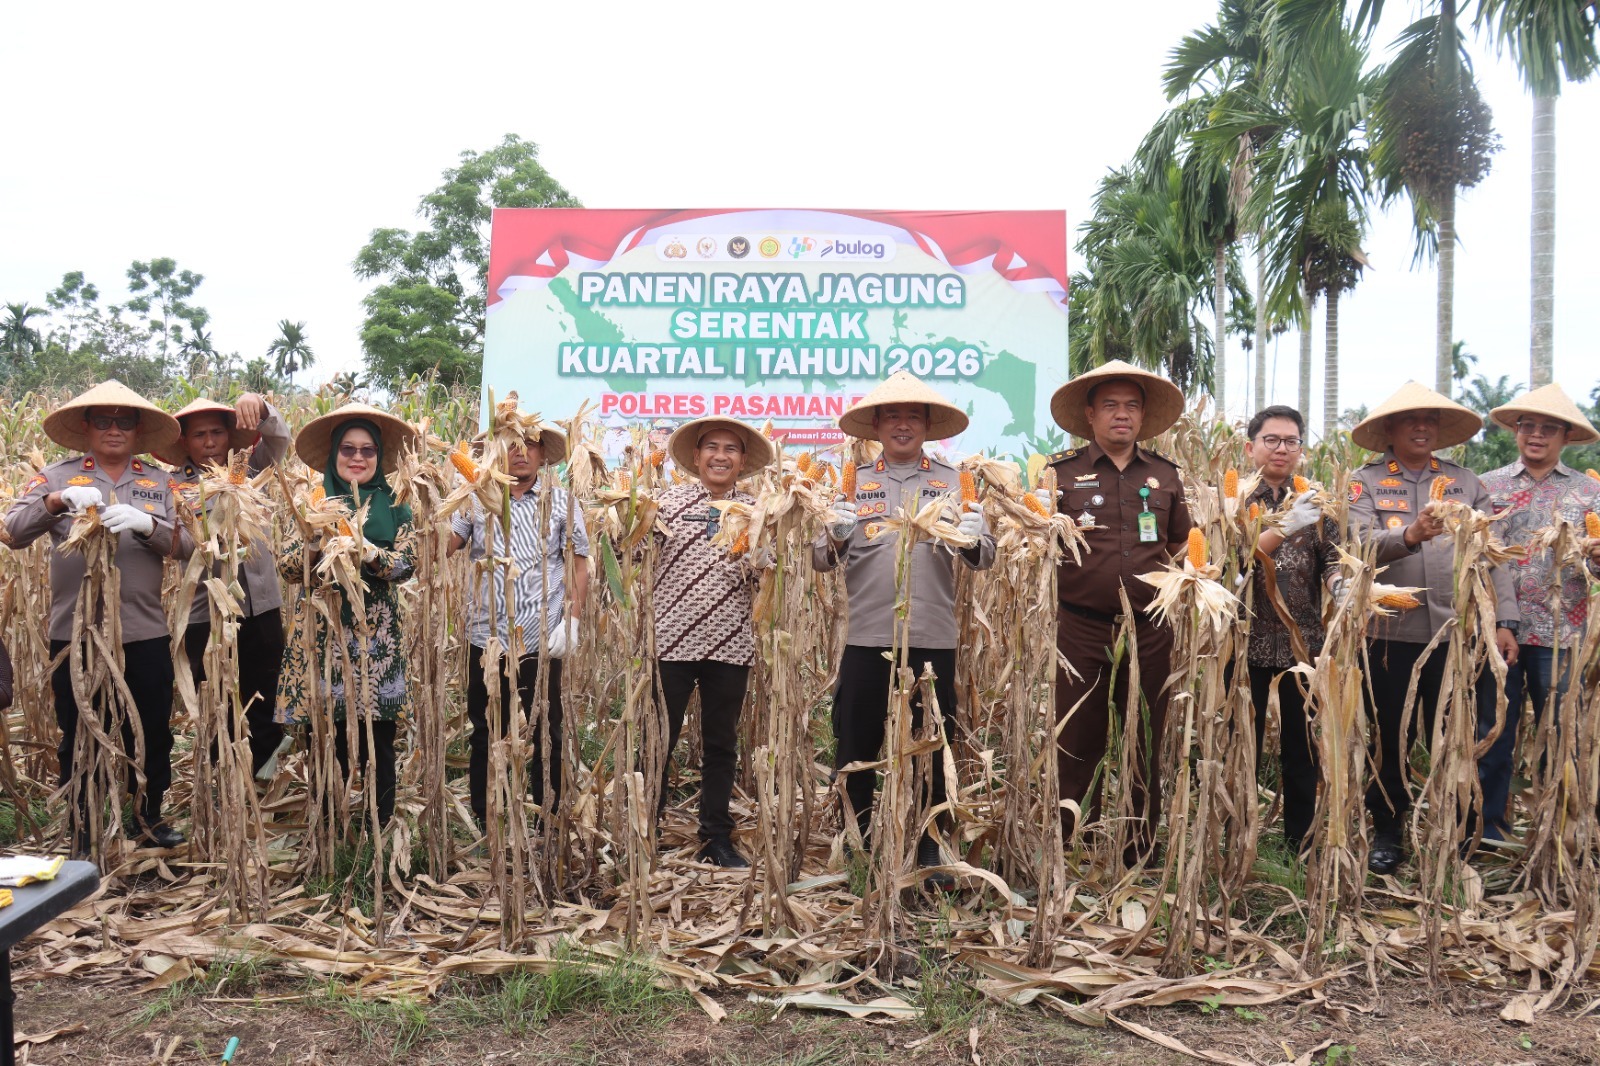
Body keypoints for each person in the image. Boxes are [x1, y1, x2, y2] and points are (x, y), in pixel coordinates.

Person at [813, 371, 994, 881]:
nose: (902, 424)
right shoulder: (855, 483)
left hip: (932, 636)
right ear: (875, 424)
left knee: (935, 743)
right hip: (868, 635)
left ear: (928, 425)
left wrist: (975, 536)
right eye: (892, 415)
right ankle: (858, 837)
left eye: (912, 415)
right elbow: (819, 561)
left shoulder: (952, 480)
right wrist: (834, 534)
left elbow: (985, 559)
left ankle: (932, 844)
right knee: (856, 741)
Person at [3, 380, 192, 849]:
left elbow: (190, 547)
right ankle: (84, 825)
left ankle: (148, 818)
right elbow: (11, 531)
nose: (113, 429)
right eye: (103, 420)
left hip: (142, 630)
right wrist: (55, 503)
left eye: (123, 421)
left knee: (150, 730)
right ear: (87, 427)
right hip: (76, 631)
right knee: (79, 729)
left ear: (137, 429)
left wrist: (149, 524)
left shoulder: (160, 483)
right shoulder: (55, 476)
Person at [1347, 382, 1519, 874]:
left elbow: (1493, 555)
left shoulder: (1467, 483)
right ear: (1391, 429)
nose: (1422, 428)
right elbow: (1357, 546)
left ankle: (1460, 830)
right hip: (1389, 636)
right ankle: (1387, 829)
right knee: (1390, 737)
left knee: (1453, 735)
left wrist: (1504, 620)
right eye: (1410, 420)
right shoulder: (1366, 482)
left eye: (1430, 421)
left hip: (1455, 634)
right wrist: (1410, 534)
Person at [1045, 359, 1192, 866]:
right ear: (1090, 415)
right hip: (1080, 627)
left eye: (1131, 406)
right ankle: (1064, 844)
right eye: (1110, 405)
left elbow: (1177, 544)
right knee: (1076, 735)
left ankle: (1139, 850)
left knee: (1143, 734)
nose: (1121, 415)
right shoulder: (1059, 475)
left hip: (1151, 628)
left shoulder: (1165, 476)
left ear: (1143, 416)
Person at [276, 403, 417, 828]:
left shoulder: (397, 505)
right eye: (349, 449)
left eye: (368, 450)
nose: (358, 457)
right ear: (335, 453)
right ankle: (329, 822)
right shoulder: (313, 502)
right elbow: (287, 568)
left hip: (378, 637)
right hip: (323, 631)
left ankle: (381, 822)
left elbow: (408, 563)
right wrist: (316, 544)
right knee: (327, 735)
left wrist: (370, 554)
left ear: (378, 457)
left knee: (380, 736)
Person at [449, 416, 590, 831]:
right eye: (511, 442)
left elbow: (578, 565)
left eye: (530, 443)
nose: (521, 451)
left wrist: (573, 621)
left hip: (541, 637)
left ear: (544, 454)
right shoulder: (476, 500)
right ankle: (484, 813)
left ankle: (548, 814)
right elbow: (445, 546)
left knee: (547, 729)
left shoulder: (561, 501)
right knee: (485, 730)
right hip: (485, 637)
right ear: (496, 450)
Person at [1474, 384, 1600, 842]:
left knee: (1561, 736)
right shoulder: (1489, 486)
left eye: (1549, 428)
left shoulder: (1589, 492)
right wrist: (1497, 621)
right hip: (1498, 633)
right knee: (1494, 733)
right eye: (1529, 426)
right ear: (1516, 431)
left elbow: (1596, 567)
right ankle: (1489, 829)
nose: (1537, 435)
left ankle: (1561, 832)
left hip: (1564, 634)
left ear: (1565, 436)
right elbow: (1481, 558)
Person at [651, 415, 775, 868]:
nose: (720, 456)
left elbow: (767, 574)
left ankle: (716, 839)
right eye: (712, 448)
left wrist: (764, 556)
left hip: (731, 642)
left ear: (742, 461)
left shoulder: (755, 511)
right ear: (697, 456)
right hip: (670, 642)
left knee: (721, 745)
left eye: (730, 449)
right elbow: (635, 556)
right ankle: (647, 829)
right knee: (658, 740)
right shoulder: (665, 505)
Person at [160, 394, 291, 778]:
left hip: (260, 603)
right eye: (199, 434)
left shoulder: (251, 468)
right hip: (206, 607)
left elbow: (279, 439)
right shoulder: (174, 487)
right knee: (215, 691)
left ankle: (268, 770)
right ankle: (224, 771)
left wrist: (261, 407)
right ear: (185, 442)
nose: (210, 441)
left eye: (217, 431)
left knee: (266, 684)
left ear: (230, 434)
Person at [1239, 405, 1339, 855]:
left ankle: (1301, 843)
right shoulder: (1232, 501)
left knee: (1301, 751)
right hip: (1242, 644)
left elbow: (1334, 562)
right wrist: (1282, 526)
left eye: (1291, 441)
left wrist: (1347, 586)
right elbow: (1226, 567)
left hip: (1303, 645)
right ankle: (1236, 838)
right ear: (1251, 446)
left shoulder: (1319, 504)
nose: (1282, 449)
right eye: (1271, 440)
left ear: (1301, 449)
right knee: (1242, 745)